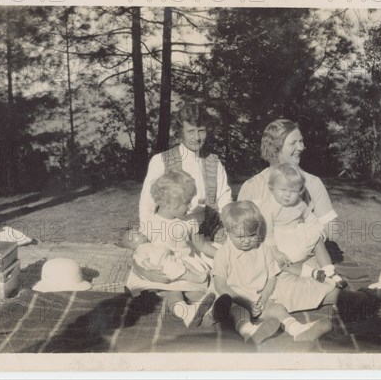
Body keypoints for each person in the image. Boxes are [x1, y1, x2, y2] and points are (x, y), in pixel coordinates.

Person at [237, 119, 342, 313]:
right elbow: (239, 228)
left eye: (301, 141)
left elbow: (331, 228)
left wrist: (309, 240)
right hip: (264, 258)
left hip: (303, 258)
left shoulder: (311, 183)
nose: (302, 147)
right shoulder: (253, 186)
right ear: (275, 148)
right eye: (294, 143)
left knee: (302, 284)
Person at [212, 201, 333, 344]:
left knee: (278, 308)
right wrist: (244, 302)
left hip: (259, 299)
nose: (246, 241)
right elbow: (221, 286)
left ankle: (297, 329)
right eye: (240, 237)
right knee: (238, 313)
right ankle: (249, 332)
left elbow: (271, 278)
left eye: (251, 235)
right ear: (228, 232)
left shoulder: (263, 249)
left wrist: (263, 299)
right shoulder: (223, 253)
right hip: (235, 299)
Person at [123, 103, 232, 249]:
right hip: (172, 231)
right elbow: (147, 204)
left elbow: (224, 200)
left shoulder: (214, 162)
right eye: (191, 131)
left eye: (201, 131)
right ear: (181, 132)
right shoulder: (161, 160)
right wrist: (148, 237)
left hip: (207, 230)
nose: (197, 138)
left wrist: (225, 227)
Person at [126, 169, 215, 328]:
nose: (190, 206)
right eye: (186, 202)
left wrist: (223, 254)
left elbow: (201, 244)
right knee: (174, 293)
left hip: (185, 267)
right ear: (169, 203)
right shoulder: (151, 225)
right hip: (162, 270)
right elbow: (138, 256)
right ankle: (185, 314)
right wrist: (147, 273)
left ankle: (210, 313)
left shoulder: (189, 222)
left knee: (197, 292)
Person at [260, 162, 347, 288]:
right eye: (283, 190)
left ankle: (329, 270)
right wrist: (275, 251)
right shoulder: (269, 206)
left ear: (300, 191)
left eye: (293, 191)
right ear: (272, 188)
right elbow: (266, 231)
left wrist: (319, 228)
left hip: (296, 236)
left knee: (317, 240)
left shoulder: (299, 204)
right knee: (279, 263)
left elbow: (309, 217)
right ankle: (313, 273)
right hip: (279, 243)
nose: (287, 195)